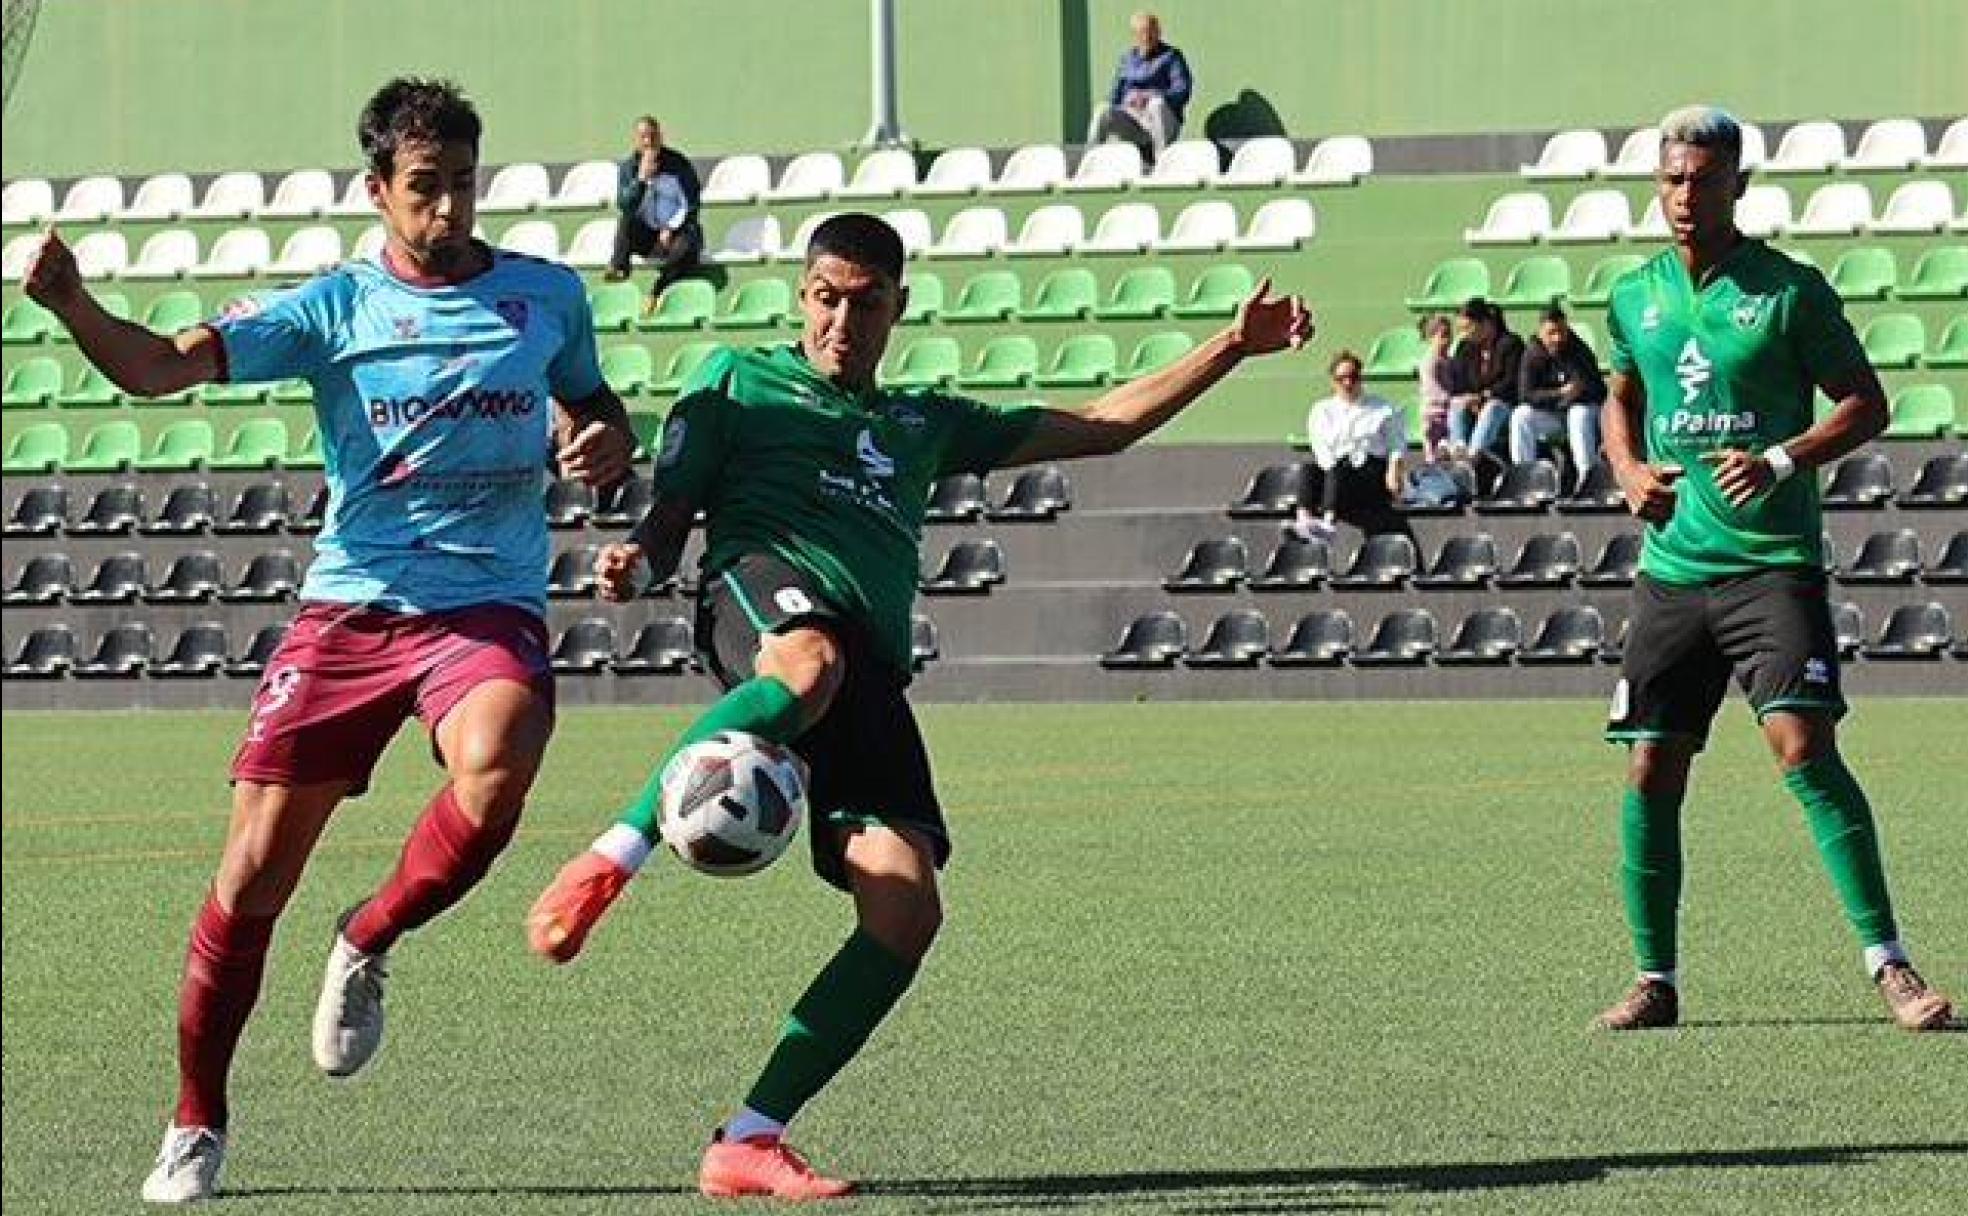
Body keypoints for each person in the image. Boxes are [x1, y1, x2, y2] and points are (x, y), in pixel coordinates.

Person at [526, 213, 1312, 1198]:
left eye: (864, 301)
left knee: (904, 906)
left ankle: (748, 1138)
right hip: (762, 595)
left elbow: (1108, 426)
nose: (841, 319)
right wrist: (638, 560)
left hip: (871, 665)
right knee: (807, 665)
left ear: (898, 306)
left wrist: (1232, 345)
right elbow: (671, 515)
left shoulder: (922, 423)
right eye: (824, 296)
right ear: (799, 294)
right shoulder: (735, 380)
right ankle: (612, 858)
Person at [23, 77, 637, 1204]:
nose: (448, 212)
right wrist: (72, 305)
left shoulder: (545, 297)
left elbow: (596, 409)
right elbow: (160, 366)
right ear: (377, 193)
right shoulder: (329, 309)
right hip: (352, 608)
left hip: (481, 606)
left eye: (462, 185)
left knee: (499, 762)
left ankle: (366, 934)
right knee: (251, 876)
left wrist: (600, 438)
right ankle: (196, 1119)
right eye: (423, 190)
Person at [1595, 105, 1953, 1033]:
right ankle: (1653, 979)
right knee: (1649, 770)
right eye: (1673, 179)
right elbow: (1619, 397)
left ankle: (1892, 965)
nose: (1686, 197)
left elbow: (1865, 404)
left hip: (1770, 565)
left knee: (1804, 747)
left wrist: (1784, 459)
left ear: (1739, 186)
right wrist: (1628, 469)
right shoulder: (1633, 294)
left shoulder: (1791, 291)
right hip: (1673, 571)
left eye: (1705, 180)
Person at [1292, 350, 1412, 542]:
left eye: (1353, 377)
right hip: (1339, 475)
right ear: (1333, 381)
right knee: (1308, 469)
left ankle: (1328, 523)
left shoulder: (1382, 407)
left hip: (1370, 474)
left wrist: (1394, 469)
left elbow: (1396, 444)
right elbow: (1321, 448)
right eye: (1341, 378)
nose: (1348, 383)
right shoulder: (1321, 410)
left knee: (1339, 471)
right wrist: (1333, 469)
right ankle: (1304, 519)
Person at [605, 115, 704, 305]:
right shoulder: (629, 167)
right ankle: (619, 267)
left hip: (676, 233)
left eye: (653, 136)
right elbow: (625, 205)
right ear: (636, 140)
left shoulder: (678, 164)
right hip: (649, 235)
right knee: (626, 222)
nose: (648, 142)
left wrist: (671, 228)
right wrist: (641, 180)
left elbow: (692, 203)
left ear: (660, 137)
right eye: (643, 137)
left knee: (688, 243)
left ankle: (659, 289)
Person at [1513, 305, 1606, 480]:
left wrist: (1575, 393)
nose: (1557, 338)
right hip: (1553, 415)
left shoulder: (1579, 350)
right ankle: (1525, 477)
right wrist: (1560, 393)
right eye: (1551, 333)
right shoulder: (1532, 354)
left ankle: (1587, 477)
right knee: (1521, 415)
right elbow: (1525, 395)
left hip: (1584, 412)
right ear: (1541, 332)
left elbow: (1596, 389)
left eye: (1561, 331)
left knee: (1578, 414)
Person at [1086, 11, 1193, 161]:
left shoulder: (1172, 56)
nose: (1147, 37)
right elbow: (1114, 96)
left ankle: (1162, 162)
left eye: (1151, 32)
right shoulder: (1127, 59)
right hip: (1133, 121)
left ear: (1158, 33)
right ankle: (1091, 161)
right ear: (1134, 36)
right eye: (1142, 32)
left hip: (1161, 119)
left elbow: (1182, 90)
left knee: (1156, 104)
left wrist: (1151, 95)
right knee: (1102, 110)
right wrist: (1128, 101)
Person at [1445, 298, 1523, 463]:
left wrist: (1484, 396)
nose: (1464, 334)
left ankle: (1473, 455)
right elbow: (1458, 382)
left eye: (1468, 328)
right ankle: (1458, 452)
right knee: (1456, 403)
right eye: (1461, 329)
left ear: (1486, 324)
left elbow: (1511, 382)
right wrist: (1469, 399)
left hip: (1506, 405)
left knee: (1492, 408)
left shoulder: (1511, 344)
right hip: (1475, 404)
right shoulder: (1465, 347)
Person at [1415, 314, 1454, 460]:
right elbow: (1435, 391)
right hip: (1433, 416)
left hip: (1448, 414)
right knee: (1433, 458)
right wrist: (1455, 399)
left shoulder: (1449, 361)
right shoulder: (1429, 362)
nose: (1447, 340)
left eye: (1449, 335)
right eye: (1443, 336)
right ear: (1432, 338)